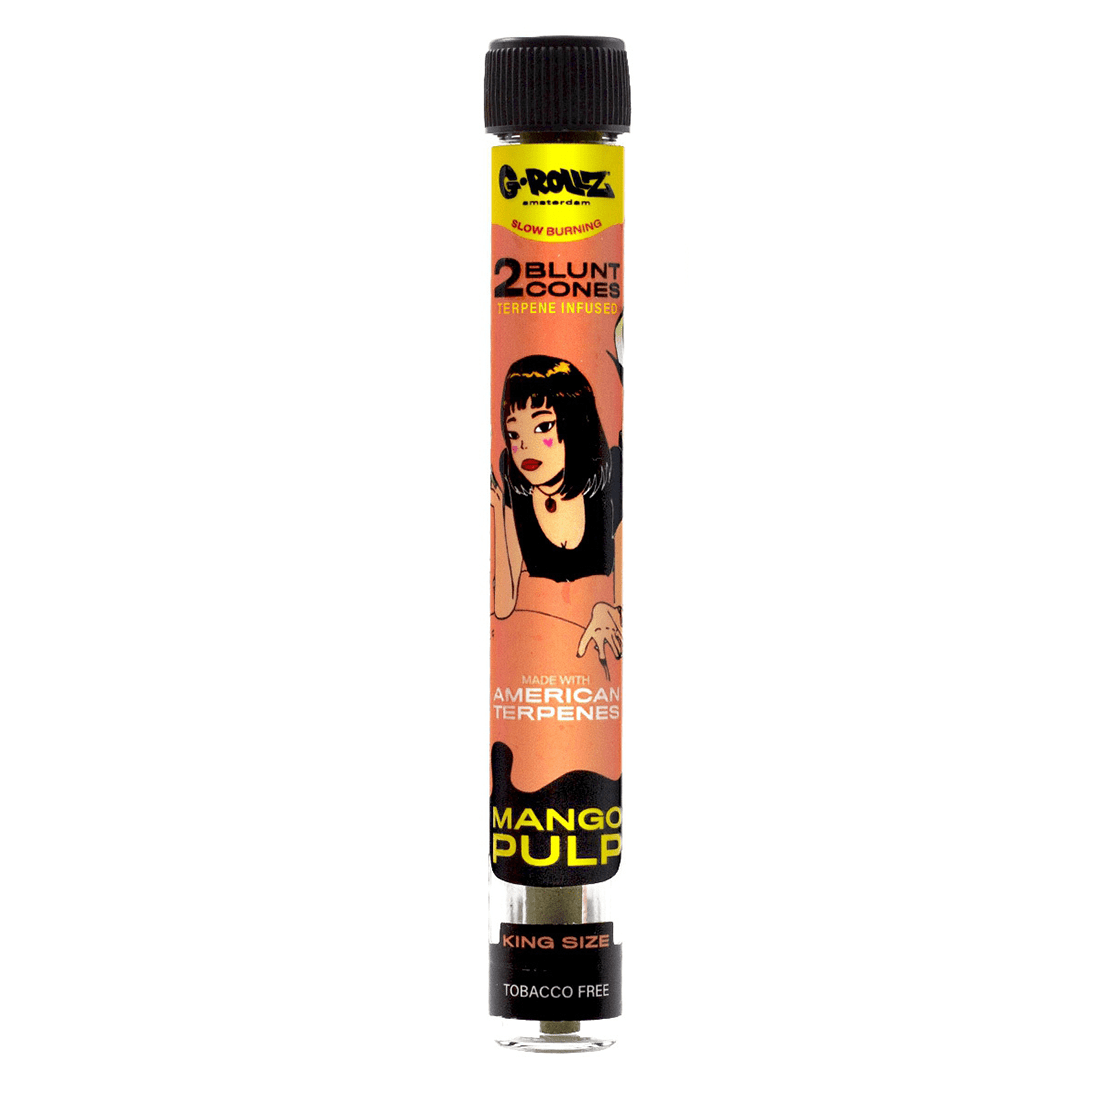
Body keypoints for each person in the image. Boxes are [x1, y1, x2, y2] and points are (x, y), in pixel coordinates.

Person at [490, 353, 622, 665]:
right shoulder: (515, 489)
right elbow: (504, 606)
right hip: (537, 650)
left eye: (543, 427)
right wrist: (496, 510)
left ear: (576, 424)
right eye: (514, 433)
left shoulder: (612, 479)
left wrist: (610, 610)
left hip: (599, 657)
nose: (525, 446)